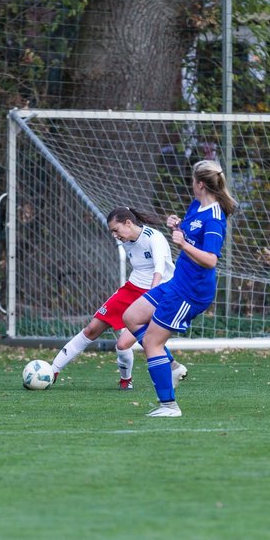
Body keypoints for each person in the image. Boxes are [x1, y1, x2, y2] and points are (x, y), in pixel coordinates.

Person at [119, 159, 237, 417]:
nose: (191, 187)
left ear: (201, 184)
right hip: (177, 282)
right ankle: (170, 366)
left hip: (192, 291)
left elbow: (210, 260)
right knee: (131, 317)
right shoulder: (197, 206)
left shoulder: (215, 218)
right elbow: (189, 233)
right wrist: (178, 225)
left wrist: (183, 244)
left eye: (193, 182)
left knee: (151, 341)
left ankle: (169, 406)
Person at [51, 207, 186, 389]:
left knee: (122, 345)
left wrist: (151, 297)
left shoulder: (154, 238)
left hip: (157, 292)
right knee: (92, 328)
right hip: (131, 290)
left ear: (128, 223)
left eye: (116, 230)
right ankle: (52, 370)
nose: (115, 235)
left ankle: (145, 375)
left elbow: (159, 270)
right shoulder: (127, 241)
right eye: (112, 231)